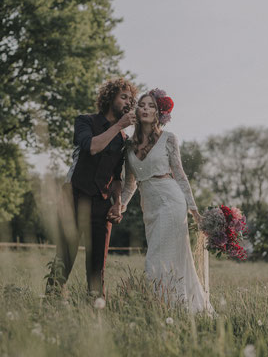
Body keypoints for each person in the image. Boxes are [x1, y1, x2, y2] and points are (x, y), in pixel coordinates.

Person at [110, 88, 215, 315]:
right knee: (167, 258)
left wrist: (195, 212)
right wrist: (122, 206)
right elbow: (130, 185)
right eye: (142, 105)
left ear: (159, 113)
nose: (146, 109)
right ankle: (174, 307)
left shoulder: (169, 139)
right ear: (136, 111)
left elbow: (180, 175)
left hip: (171, 201)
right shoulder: (128, 146)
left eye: (151, 106)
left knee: (156, 258)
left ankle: (167, 307)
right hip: (149, 207)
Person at [45, 78, 138, 299]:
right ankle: (50, 304)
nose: (127, 102)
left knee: (98, 266)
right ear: (109, 97)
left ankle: (95, 313)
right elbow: (92, 147)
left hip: (102, 204)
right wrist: (118, 126)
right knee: (64, 258)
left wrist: (118, 205)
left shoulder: (124, 139)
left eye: (130, 99)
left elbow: (117, 178)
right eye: (123, 97)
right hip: (74, 196)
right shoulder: (84, 121)